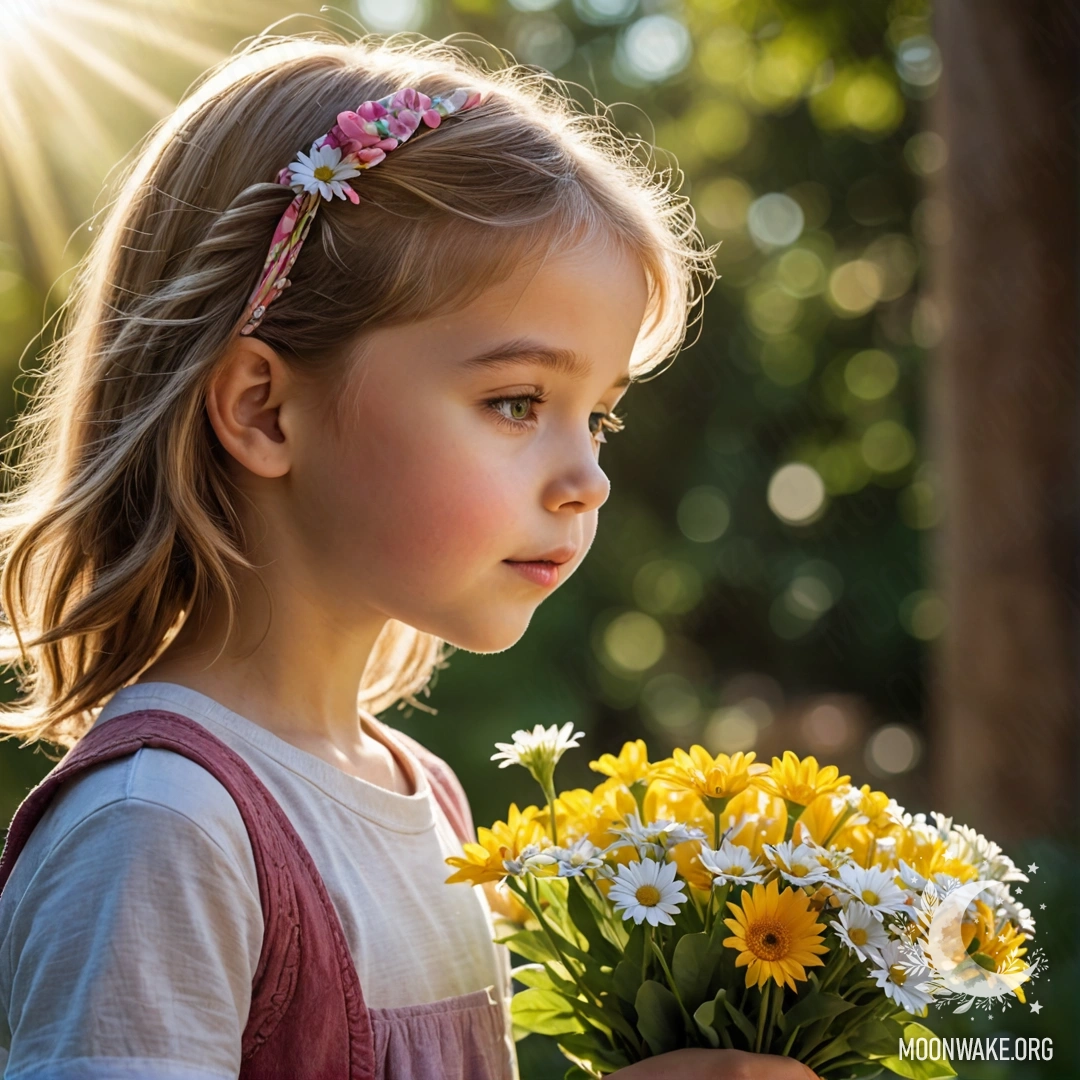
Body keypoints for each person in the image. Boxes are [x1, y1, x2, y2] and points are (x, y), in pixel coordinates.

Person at [0, 27, 819, 1080]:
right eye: (517, 402)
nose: (589, 479)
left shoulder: (421, 794)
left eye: (598, 418)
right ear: (264, 410)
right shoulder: (162, 828)